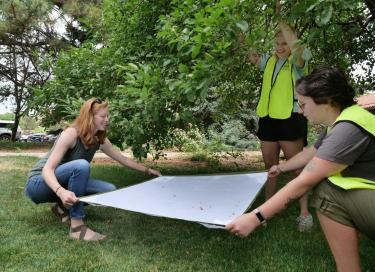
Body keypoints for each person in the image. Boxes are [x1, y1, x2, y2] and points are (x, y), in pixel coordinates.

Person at [226, 66, 375, 272]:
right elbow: (312, 151)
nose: (299, 110)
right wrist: (282, 167)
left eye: (303, 104)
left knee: (325, 190)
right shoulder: (341, 121)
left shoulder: (348, 128)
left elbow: (305, 180)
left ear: (327, 100)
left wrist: (255, 217)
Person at [25, 98, 161, 241]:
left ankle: (61, 208)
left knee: (109, 190)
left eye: (107, 116)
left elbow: (122, 159)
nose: (107, 120)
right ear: (90, 117)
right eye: (103, 116)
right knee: (81, 166)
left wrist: (147, 170)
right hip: (38, 184)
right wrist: (61, 191)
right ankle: (77, 226)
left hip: (61, 183)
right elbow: (47, 170)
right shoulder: (71, 134)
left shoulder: (98, 139)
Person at [246, 0, 312, 231]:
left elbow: (296, 46)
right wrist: (236, 27)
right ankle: (265, 212)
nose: (281, 47)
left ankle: (304, 213)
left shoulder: (299, 62)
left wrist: (278, 12)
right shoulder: (269, 61)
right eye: (277, 43)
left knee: (296, 169)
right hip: (268, 119)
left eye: (284, 43)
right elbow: (250, 53)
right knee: (270, 167)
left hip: (291, 118)